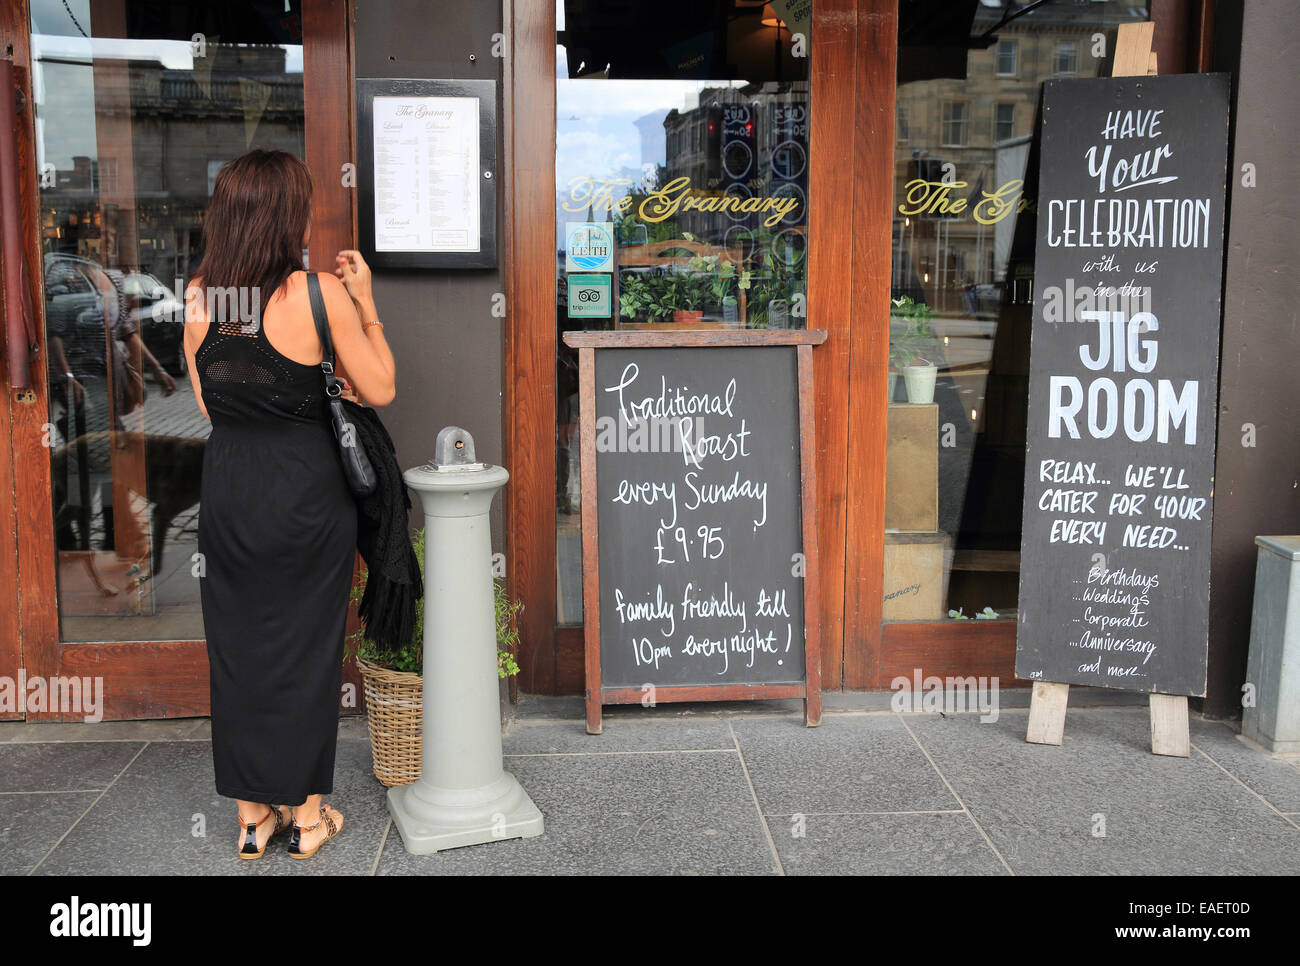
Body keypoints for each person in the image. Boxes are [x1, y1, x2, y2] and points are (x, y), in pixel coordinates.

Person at [182, 149, 396, 860]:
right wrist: (366, 304)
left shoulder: (202, 300)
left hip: (233, 489)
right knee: (305, 652)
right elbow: (380, 389)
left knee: (238, 652)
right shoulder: (315, 296)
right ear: (287, 217)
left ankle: (251, 818)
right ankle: (307, 817)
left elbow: (213, 406)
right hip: (305, 494)